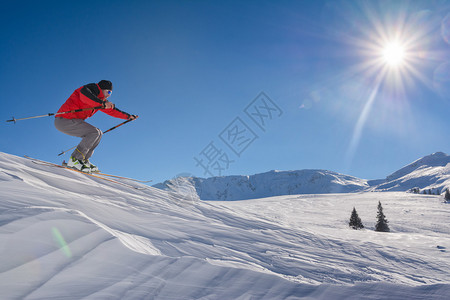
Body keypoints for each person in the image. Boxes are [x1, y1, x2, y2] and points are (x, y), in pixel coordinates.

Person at [55, 80, 138, 173]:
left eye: (111, 93)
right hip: (64, 119)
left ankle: (83, 160)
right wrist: (102, 104)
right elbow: (85, 97)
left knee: (99, 133)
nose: (109, 95)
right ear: (102, 89)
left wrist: (128, 117)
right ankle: (75, 160)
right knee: (93, 132)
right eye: (109, 92)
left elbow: (113, 111)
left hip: (73, 121)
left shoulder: (101, 101)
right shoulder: (90, 89)